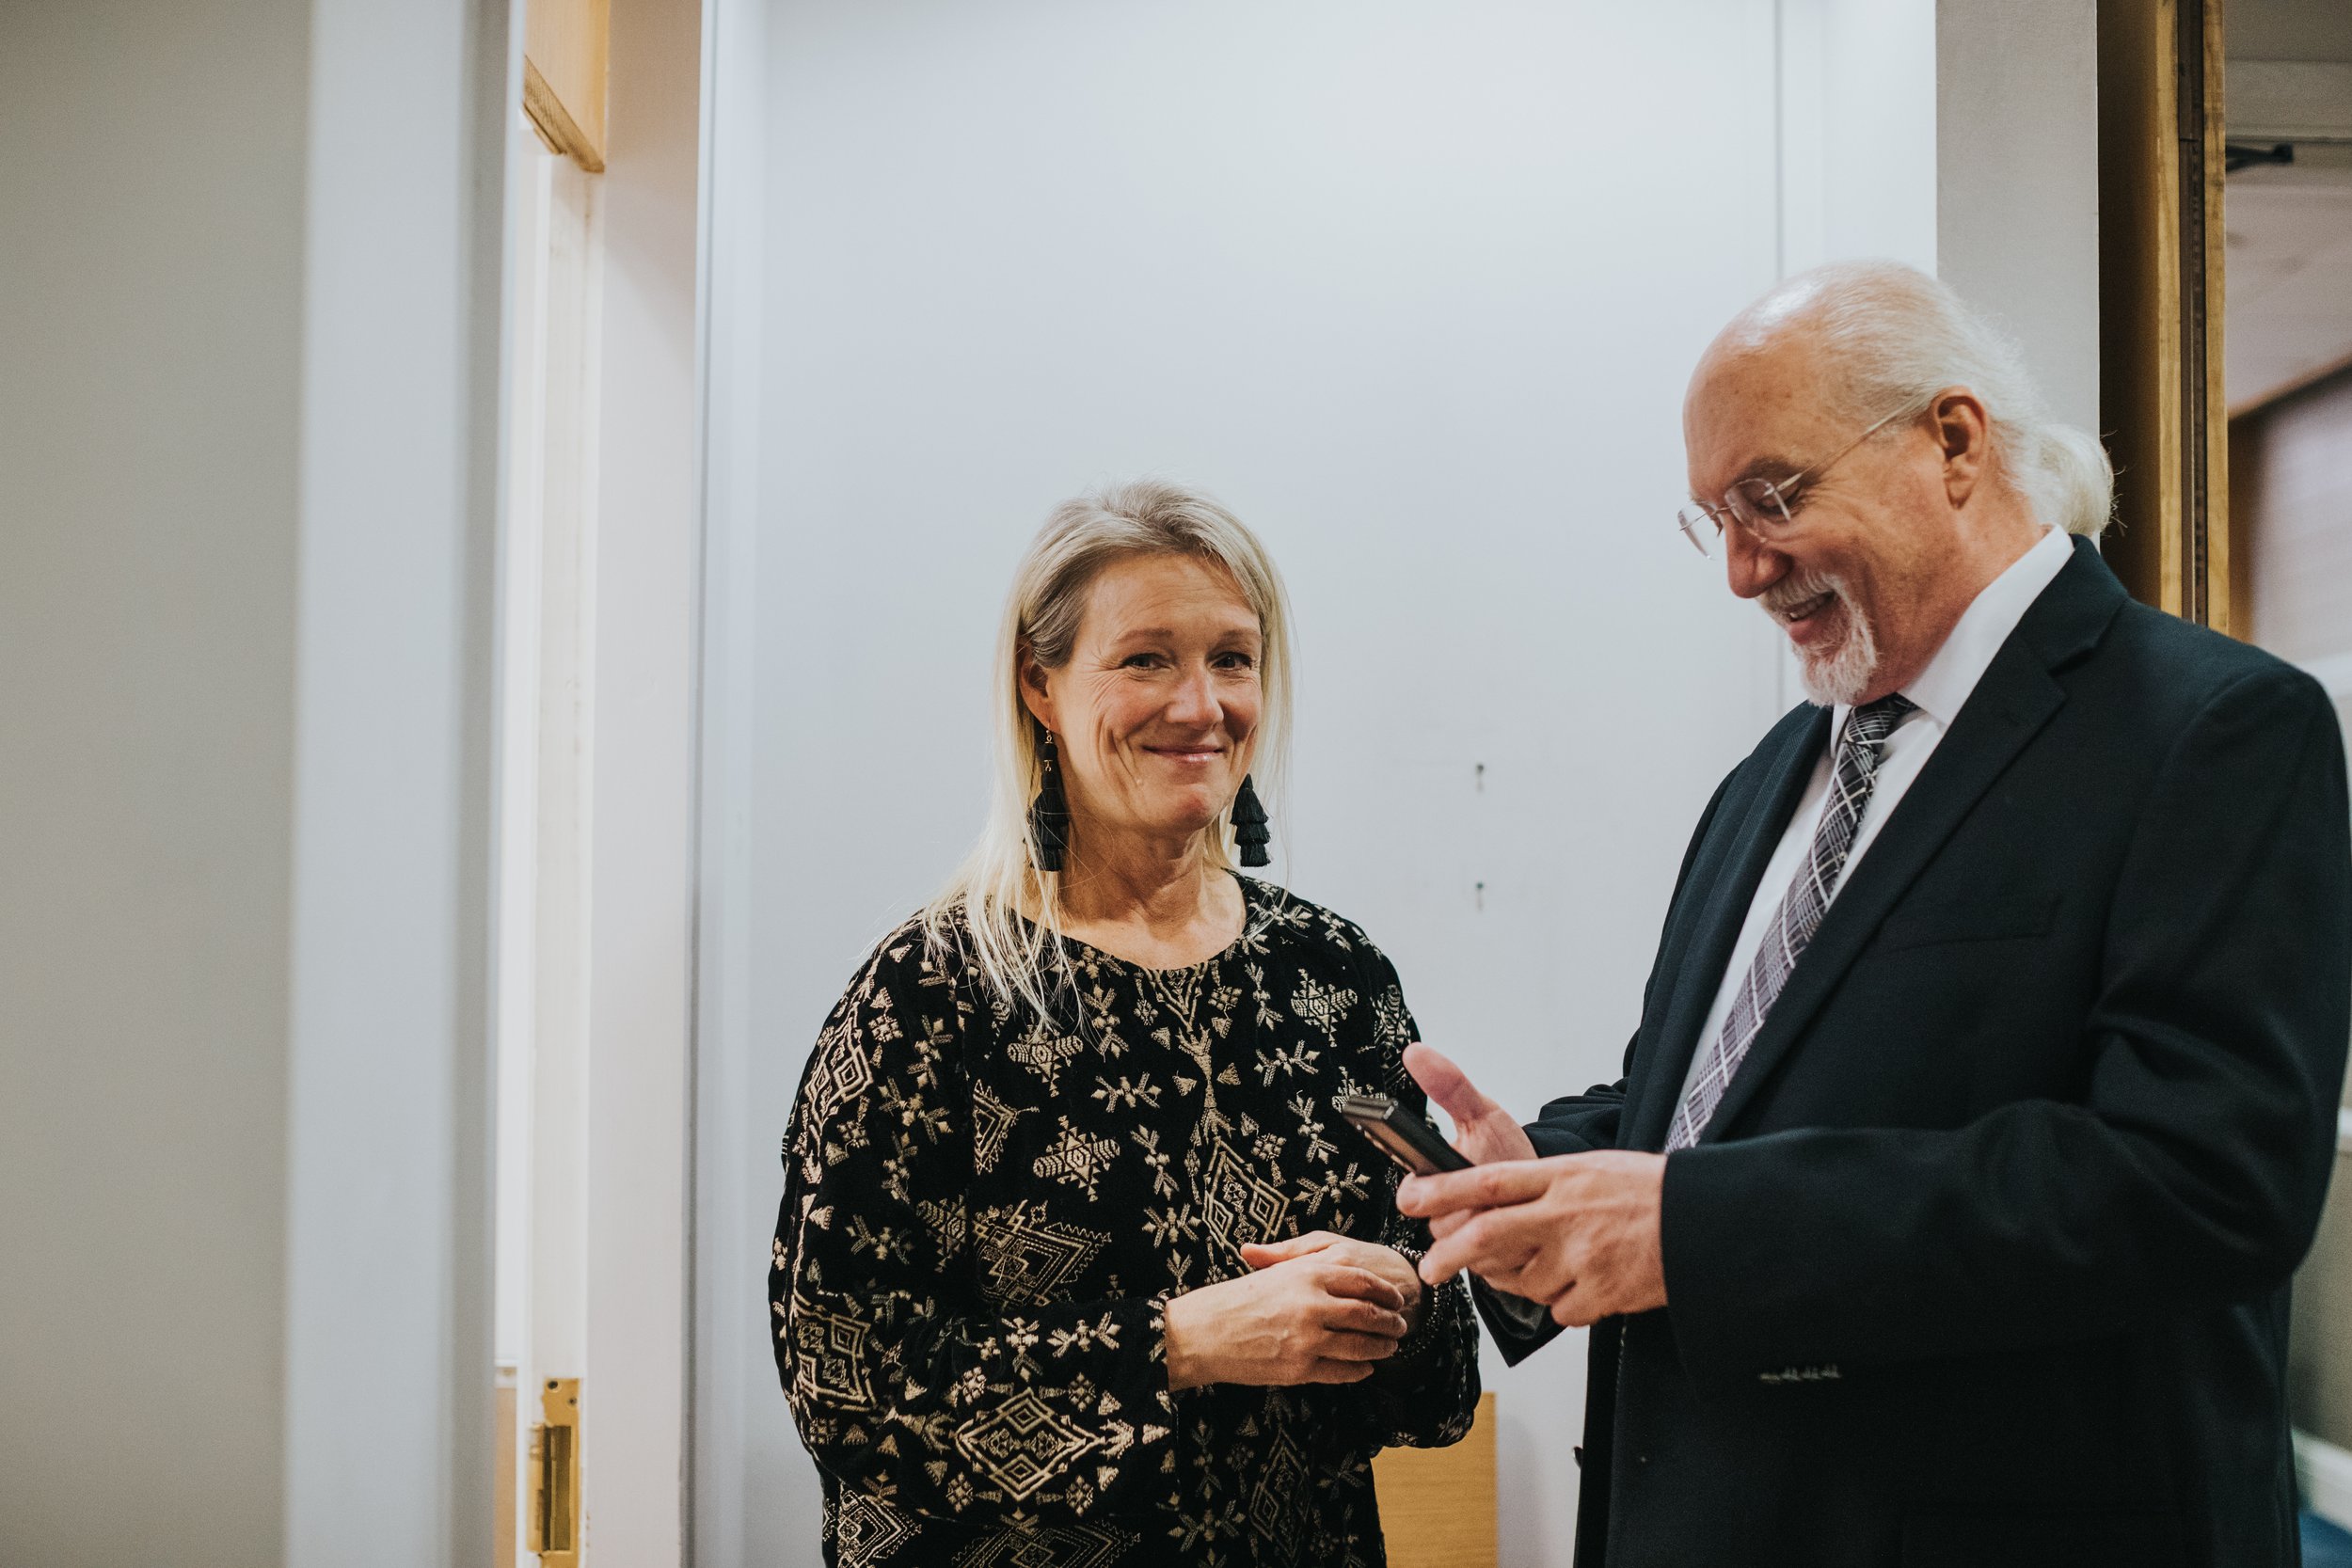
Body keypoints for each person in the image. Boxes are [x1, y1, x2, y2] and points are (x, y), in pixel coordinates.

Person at [1397, 261, 2352, 1567]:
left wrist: (1687, 1226)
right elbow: (1709, 1106)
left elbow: (2201, 1180)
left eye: (1772, 497)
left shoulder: (2213, 729)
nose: (1740, 569)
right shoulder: (1773, 773)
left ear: (1952, 440)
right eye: (1712, 520)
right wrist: (1535, 1183)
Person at [771, 480, 1479, 1567]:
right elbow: (846, 1386)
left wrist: (1401, 1302)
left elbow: (1440, 1394)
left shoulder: (1333, 976)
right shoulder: (929, 996)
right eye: (1145, 658)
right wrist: (1178, 1342)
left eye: (1232, 658)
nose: (1200, 705)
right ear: (1039, 686)